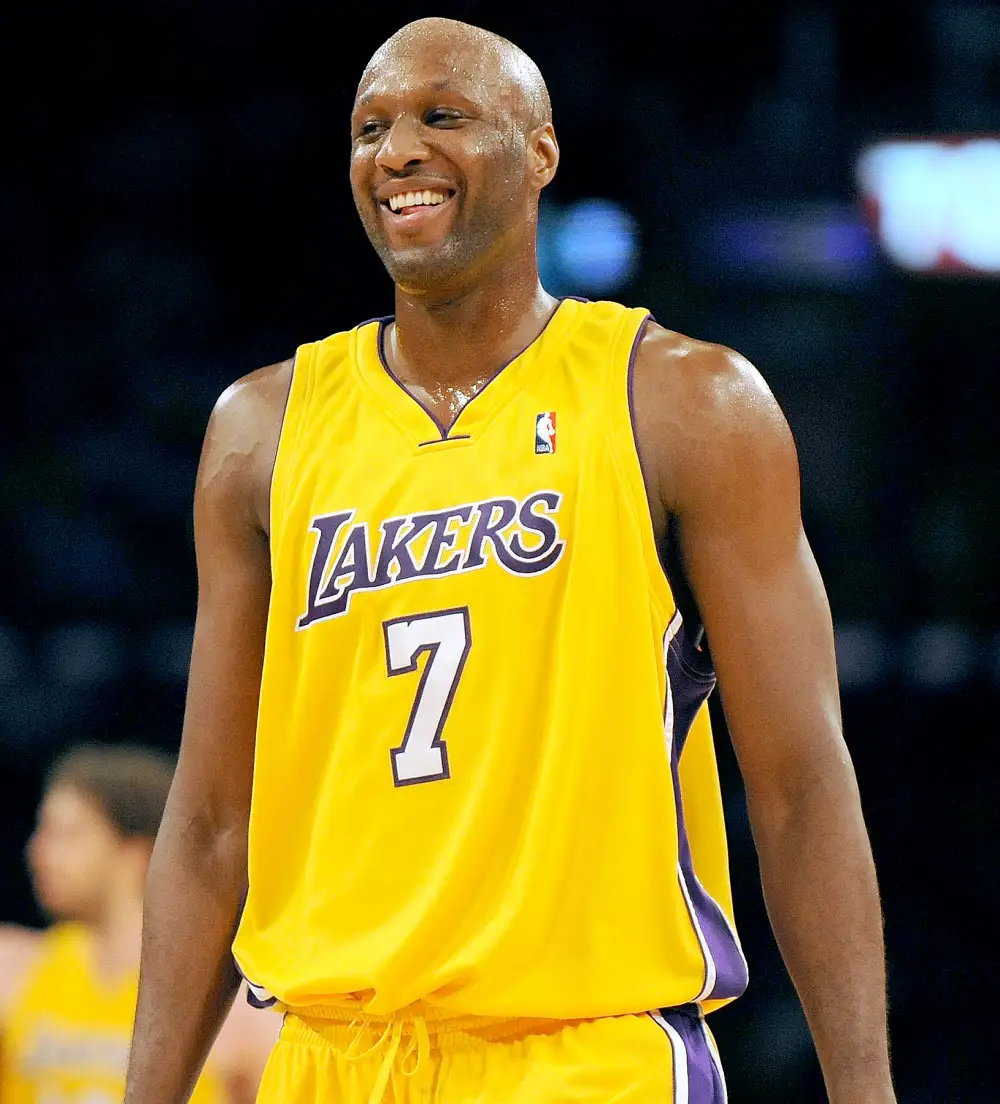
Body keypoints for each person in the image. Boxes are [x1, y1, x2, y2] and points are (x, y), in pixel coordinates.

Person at [124, 16, 896, 1104]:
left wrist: (864, 1089)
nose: (397, 151)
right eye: (370, 127)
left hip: (587, 1056)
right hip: (329, 1059)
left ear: (540, 154)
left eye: (444, 116)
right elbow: (208, 824)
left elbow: (801, 786)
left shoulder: (683, 401)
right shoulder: (261, 429)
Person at [0, 745, 278, 1104]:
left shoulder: (231, 1007)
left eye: (68, 835)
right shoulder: (18, 966)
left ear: (139, 852)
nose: (38, 852)